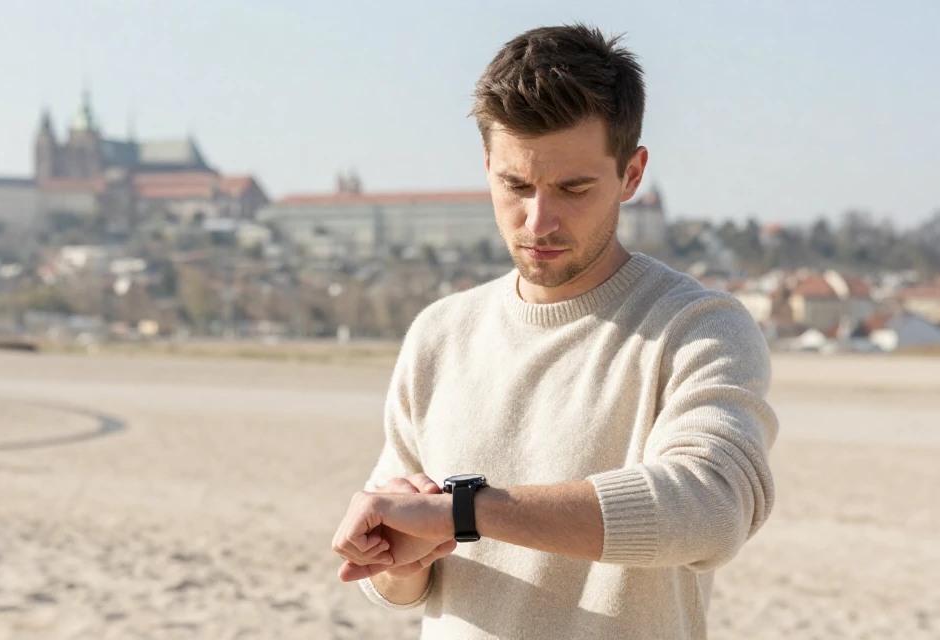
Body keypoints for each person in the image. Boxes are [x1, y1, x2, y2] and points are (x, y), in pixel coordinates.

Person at [330, 24, 777, 639]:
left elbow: (712, 506)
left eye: (573, 188)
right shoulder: (439, 334)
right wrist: (397, 560)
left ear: (632, 174)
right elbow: (401, 583)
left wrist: (465, 513)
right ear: (487, 165)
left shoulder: (697, 327)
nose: (539, 220)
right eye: (515, 185)